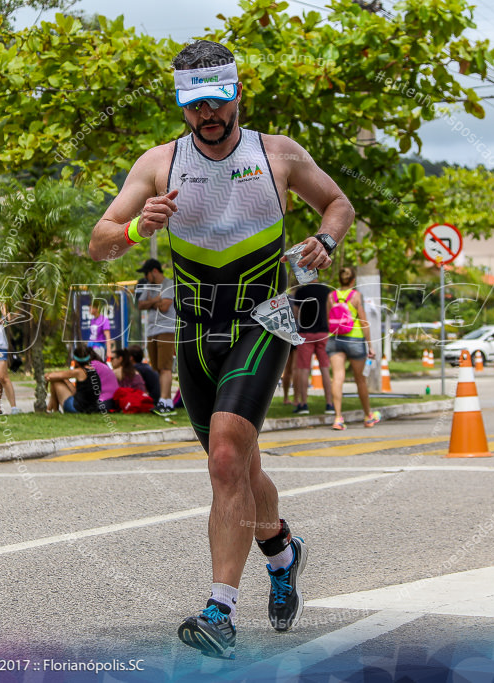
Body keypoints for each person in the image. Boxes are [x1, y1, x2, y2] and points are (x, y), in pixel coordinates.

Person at [87, 39, 353, 659]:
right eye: (194, 103)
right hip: (196, 331)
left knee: (227, 456)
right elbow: (97, 242)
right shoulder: (158, 164)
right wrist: (136, 227)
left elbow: (337, 204)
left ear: (236, 94)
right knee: (238, 467)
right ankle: (283, 551)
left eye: (217, 99)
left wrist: (326, 241)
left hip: (265, 320)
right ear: (182, 106)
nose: (207, 113)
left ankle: (220, 613)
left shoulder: (278, 154)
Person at [326, 267, 381, 431]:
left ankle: (337, 418)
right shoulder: (356, 296)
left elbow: (329, 318)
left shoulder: (331, 296)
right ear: (352, 281)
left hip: (335, 339)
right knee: (360, 380)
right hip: (355, 339)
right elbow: (363, 321)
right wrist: (370, 345)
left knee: (337, 378)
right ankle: (368, 416)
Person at [136, 258, 178, 414]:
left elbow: (165, 306)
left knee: (165, 367)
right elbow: (140, 305)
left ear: (154, 271)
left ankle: (165, 402)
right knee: (158, 368)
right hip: (151, 331)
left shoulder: (169, 284)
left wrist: (152, 302)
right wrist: (156, 300)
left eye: (147, 274)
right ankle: (165, 400)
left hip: (166, 329)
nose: (146, 278)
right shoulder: (148, 286)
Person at [291, 280, 334, 415]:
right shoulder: (326, 290)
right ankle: (329, 404)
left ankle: (303, 404)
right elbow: (330, 310)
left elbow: (296, 313)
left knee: (304, 370)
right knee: (325, 369)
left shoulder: (301, 291)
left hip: (305, 333)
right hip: (323, 333)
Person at [45, 344, 106, 413]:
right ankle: (50, 409)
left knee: (55, 381)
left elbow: (52, 376)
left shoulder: (79, 371)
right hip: (91, 408)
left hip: (77, 408)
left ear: (76, 361)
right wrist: (66, 380)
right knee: (61, 379)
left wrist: (48, 377)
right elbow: (77, 393)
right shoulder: (93, 370)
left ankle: (52, 410)